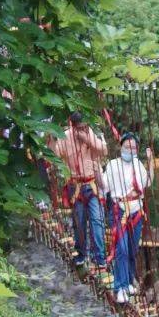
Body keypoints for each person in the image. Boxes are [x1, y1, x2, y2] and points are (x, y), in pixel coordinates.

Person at [103, 132, 154, 304]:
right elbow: (104, 186)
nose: (130, 150)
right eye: (127, 147)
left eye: (133, 148)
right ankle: (121, 287)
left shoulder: (138, 165)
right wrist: (96, 172)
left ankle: (130, 278)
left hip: (137, 211)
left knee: (132, 249)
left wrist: (151, 162)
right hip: (120, 211)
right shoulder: (112, 165)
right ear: (121, 146)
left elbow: (147, 183)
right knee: (122, 249)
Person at [52, 113, 108, 270]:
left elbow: (104, 150)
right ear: (73, 126)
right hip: (75, 186)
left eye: (85, 126)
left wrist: (88, 140)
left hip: (91, 184)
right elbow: (54, 156)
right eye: (80, 128)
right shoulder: (65, 136)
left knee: (97, 221)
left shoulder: (91, 133)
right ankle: (82, 254)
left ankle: (100, 258)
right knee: (79, 223)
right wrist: (51, 137)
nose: (83, 129)